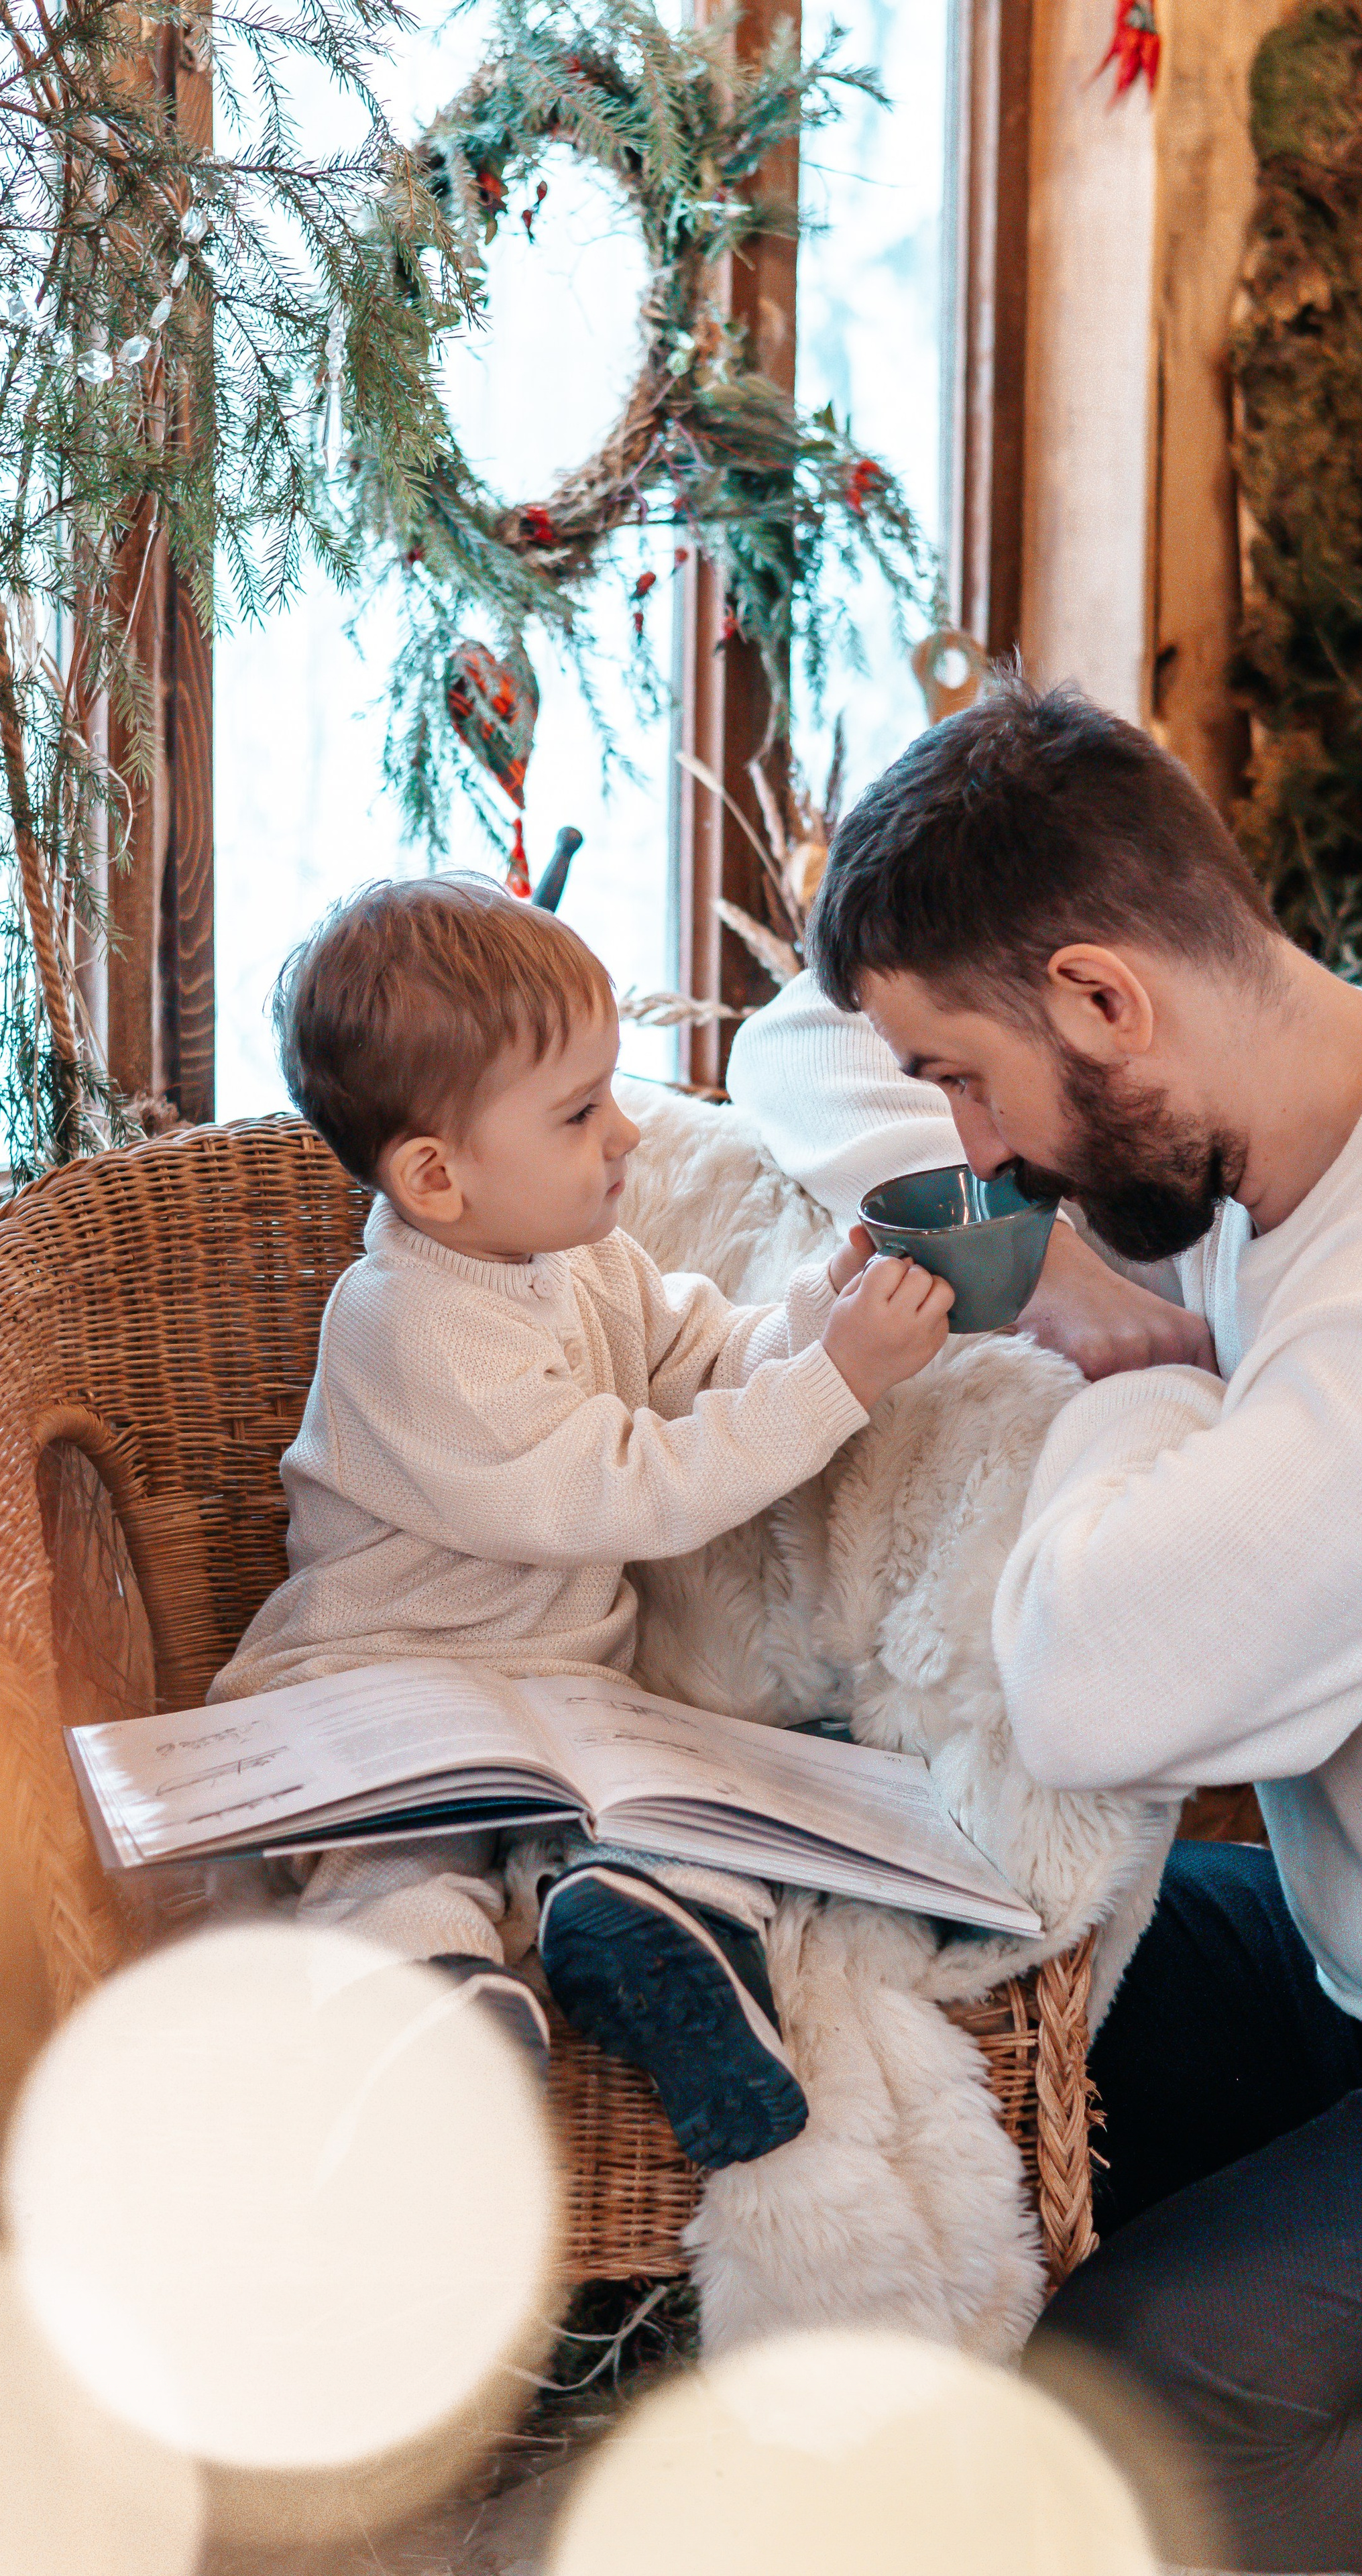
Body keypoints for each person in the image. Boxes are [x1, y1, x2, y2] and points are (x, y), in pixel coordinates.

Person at [726, 668, 1362, 2576]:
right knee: (909, 2000)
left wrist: (1138, 1384)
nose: (977, 1147)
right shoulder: (1320, 1088)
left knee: (1112, 2430)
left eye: (968, 1081)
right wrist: (1080, 1263)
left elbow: (1096, 1687)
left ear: (1103, 998)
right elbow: (791, 1042)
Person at [209, 873, 952, 2170]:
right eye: (579, 1111)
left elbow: (701, 1356)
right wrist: (843, 1385)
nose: (630, 1135)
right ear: (437, 1176)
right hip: (388, 1692)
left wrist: (813, 1319)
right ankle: (438, 2006)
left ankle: (650, 1927)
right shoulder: (407, 1322)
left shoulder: (576, 1253)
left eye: (613, 1093)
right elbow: (632, 1483)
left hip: (557, 1692)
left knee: (678, 1803)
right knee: (399, 1863)